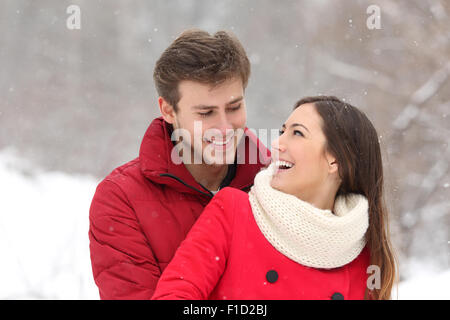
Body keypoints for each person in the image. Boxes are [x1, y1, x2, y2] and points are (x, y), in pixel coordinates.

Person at [151, 96, 398, 300]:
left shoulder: (360, 249)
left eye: (297, 134)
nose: (277, 143)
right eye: (282, 132)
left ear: (335, 160)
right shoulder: (234, 211)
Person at [88, 29, 270, 299]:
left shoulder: (279, 182)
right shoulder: (120, 200)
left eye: (234, 107)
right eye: (205, 113)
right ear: (168, 111)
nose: (224, 127)